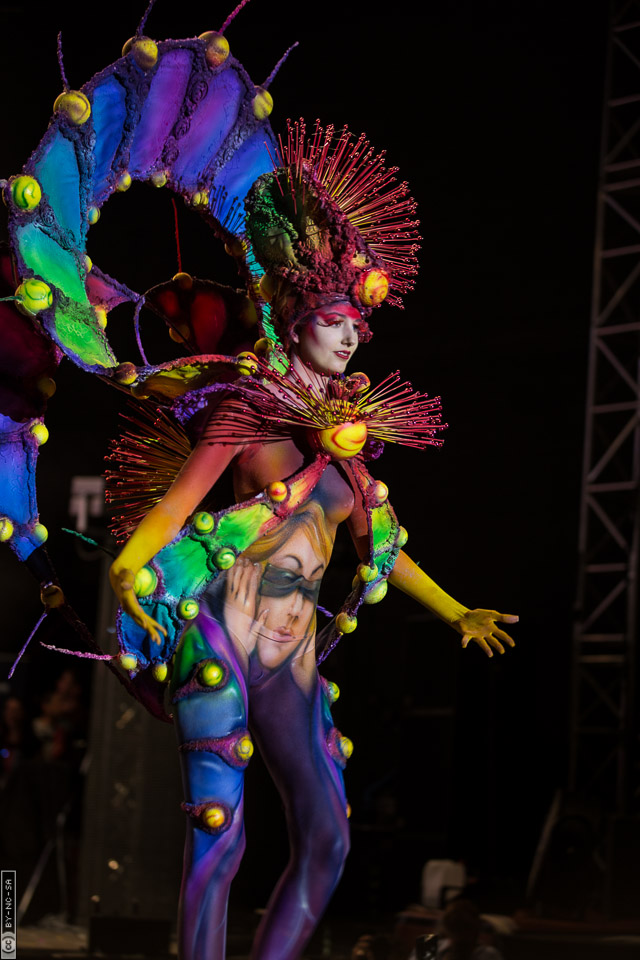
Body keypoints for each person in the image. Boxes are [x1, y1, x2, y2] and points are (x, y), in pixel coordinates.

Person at [108, 184, 518, 955]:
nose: (351, 336)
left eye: (358, 325)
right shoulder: (248, 409)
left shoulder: (350, 448)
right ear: (296, 322)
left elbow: (382, 552)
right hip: (221, 639)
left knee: (329, 840)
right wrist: (128, 566)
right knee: (220, 837)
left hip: (291, 662)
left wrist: (456, 610)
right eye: (335, 320)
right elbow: (176, 506)